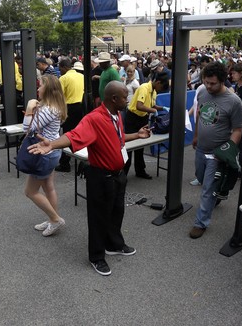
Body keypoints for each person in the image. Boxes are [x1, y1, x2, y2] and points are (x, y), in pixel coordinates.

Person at [29, 81, 151, 276]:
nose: (127, 100)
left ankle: (114, 244)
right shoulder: (94, 118)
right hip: (101, 177)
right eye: (124, 97)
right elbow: (73, 135)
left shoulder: (116, 115)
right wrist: (52, 144)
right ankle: (97, 257)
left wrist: (137, 134)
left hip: (118, 175)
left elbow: (117, 139)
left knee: (116, 212)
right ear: (113, 99)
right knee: (98, 218)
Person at [189, 61, 242, 239]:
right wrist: (196, 135)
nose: (208, 86)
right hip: (201, 148)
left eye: (213, 83)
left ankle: (201, 222)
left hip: (217, 152)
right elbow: (200, 115)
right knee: (200, 176)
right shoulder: (203, 92)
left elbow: (238, 129)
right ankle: (216, 195)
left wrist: (226, 152)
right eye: (206, 82)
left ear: (222, 81)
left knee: (207, 188)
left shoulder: (234, 101)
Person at [21, 75, 68, 236]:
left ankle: (55, 219)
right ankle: (52, 219)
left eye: (40, 86)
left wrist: (29, 109)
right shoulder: (54, 107)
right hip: (52, 151)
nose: (38, 89)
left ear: (47, 90)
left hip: (44, 153)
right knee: (49, 187)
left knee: (30, 192)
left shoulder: (48, 109)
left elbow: (27, 129)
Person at [124, 72, 169, 179]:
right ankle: (123, 172)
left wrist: (162, 108)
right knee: (129, 146)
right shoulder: (144, 88)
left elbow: (152, 104)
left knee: (141, 145)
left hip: (143, 118)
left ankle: (140, 170)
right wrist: (153, 110)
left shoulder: (153, 91)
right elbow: (139, 106)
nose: (160, 90)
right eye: (161, 87)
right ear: (158, 82)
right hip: (133, 117)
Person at [55, 58, 84, 173]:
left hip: (70, 108)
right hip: (82, 107)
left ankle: (65, 164)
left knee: (67, 135)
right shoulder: (81, 76)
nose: (59, 70)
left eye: (60, 68)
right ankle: (82, 160)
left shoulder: (63, 78)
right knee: (80, 134)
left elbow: (59, 96)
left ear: (63, 67)